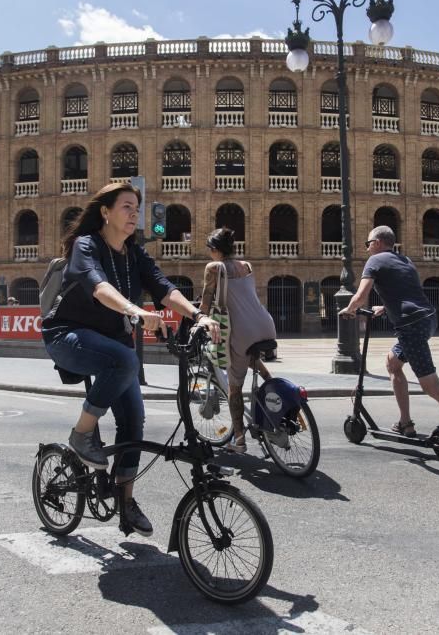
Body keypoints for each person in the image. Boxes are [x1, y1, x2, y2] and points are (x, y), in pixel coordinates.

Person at [41, 182, 220, 536]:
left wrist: (197, 315)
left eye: (136, 208)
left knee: (134, 421)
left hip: (112, 346)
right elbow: (97, 285)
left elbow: (164, 287)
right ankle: (82, 434)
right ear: (105, 212)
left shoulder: (135, 254)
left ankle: (125, 500)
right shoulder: (86, 245)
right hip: (67, 337)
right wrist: (134, 309)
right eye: (126, 206)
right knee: (126, 360)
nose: (134, 213)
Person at [340, 225, 439, 476]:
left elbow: (361, 296)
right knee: (393, 362)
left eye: (367, 242)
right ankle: (405, 423)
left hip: (410, 326)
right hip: (427, 319)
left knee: (432, 386)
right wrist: (385, 307)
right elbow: (406, 292)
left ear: (378, 242)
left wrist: (349, 309)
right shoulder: (404, 261)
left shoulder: (374, 260)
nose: (366, 247)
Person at [199, 227, 278, 454]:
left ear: (215, 250)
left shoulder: (213, 268)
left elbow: (204, 305)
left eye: (209, 250)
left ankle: (240, 441)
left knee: (235, 390)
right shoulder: (247, 265)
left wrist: (197, 321)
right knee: (248, 356)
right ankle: (271, 384)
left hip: (241, 330)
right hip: (265, 324)